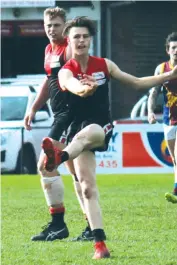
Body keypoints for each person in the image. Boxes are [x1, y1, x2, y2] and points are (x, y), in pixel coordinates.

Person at [41, 17, 177, 259]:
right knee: (87, 188)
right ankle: (100, 245)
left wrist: (169, 75)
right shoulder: (65, 71)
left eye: (85, 36)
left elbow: (136, 83)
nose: (81, 41)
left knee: (88, 133)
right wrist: (87, 89)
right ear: (69, 42)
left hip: (99, 127)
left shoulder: (104, 64)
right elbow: (73, 86)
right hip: (74, 132)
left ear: (91, 39)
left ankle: (58, 157)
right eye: (76, 37)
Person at [24, 8, 95, 242]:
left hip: (71, 115)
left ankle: (58, 225)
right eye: (48, 25)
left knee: (46, 165)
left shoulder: (70, 50)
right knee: (75, 175)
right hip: (60, 116)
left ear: (64, 27)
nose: (51, 29)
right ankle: (89, 227)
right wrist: (34, 108)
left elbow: (80, 76)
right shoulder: (49, 49)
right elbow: (49, 80)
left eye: (56, 24)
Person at [148, 32, 177, 204]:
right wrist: (150, 111)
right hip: (169, 119)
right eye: (173, 48)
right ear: (168, 50)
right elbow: (153, 92)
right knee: (174, 157)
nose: (176, 51)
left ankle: (176, 189)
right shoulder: (161, 69)